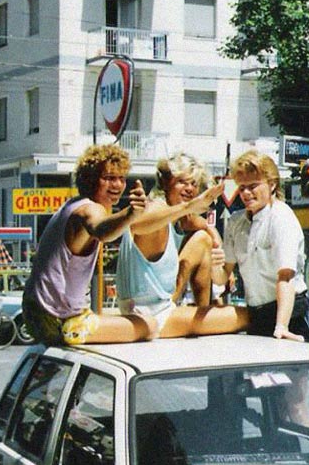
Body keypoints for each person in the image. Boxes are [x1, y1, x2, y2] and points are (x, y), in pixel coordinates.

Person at [22, 144, 155, 346]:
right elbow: (101, 229)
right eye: (108, 178)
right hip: (60, 321)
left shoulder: (71, 205)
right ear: (90, 179)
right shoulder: (89, 210)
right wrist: (131, 213)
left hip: (36, 314)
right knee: (149, 325)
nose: (117, 185)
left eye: (121, 178)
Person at [116, 152, 249, 337]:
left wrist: (221, 261)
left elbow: (204, 226)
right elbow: (137, 224)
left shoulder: (179, 217)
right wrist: (188, 207)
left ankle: (204, 309)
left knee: (203, 239)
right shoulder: (155, 208)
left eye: (193, 184)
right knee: (247, 316)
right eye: (182, 182)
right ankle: (203, 317)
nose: (189, 189)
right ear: (164, 182)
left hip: (156, 310)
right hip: (149, 316)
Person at [212, 149, 309, 341]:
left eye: (253, 186)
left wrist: (281, 326)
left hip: (289, 314)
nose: (246, 193)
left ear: (272, 184)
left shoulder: (281, 218)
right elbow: (222, 276)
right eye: (242, 187)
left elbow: (285, 277)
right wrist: (213, 265)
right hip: (257, 314)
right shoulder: (235, 222)